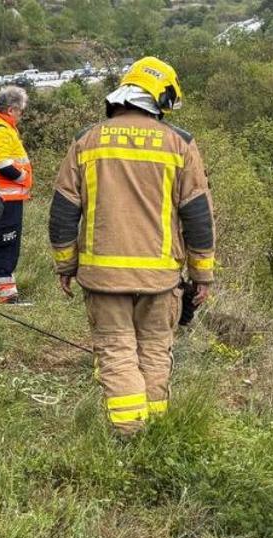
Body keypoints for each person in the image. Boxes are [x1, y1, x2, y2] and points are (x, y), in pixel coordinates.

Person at [49, 56, 215, 435]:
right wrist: (201, 274)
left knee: (116, 350)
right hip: (160, 276)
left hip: (102, 275)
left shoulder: (86, 140)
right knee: (156, 349)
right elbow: (198, 216)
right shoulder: (180, 144)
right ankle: (153, 430)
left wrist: (66, 265)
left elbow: (62, 212)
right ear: (160, 99)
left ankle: (128, 435)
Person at [0, 86, 33, 304]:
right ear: (11, 110)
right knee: (7, 243)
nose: (21, 116)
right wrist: (24, 178)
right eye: (20, 111)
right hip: (7, 197)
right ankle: (7, 295)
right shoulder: (0, 129)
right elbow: (3, 165)